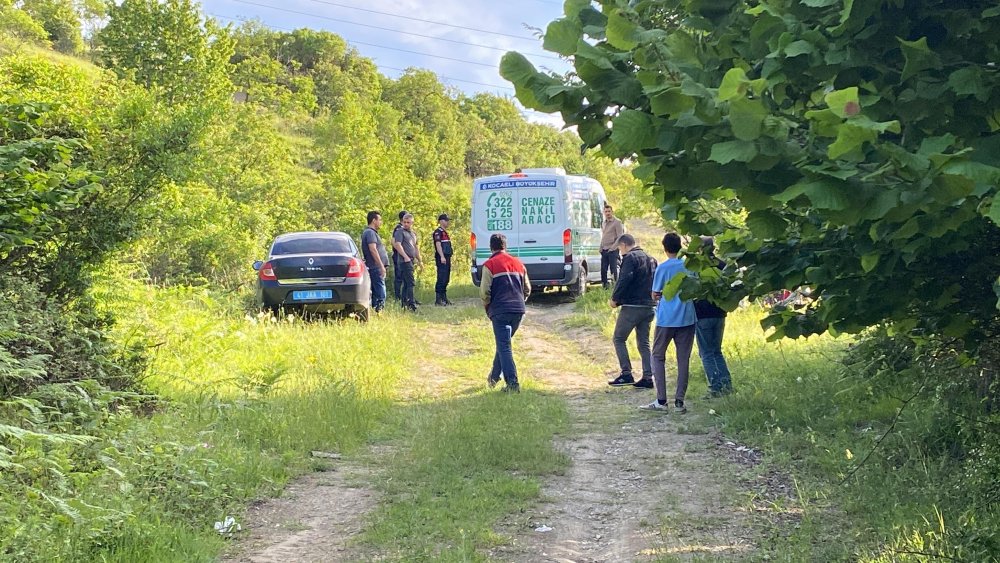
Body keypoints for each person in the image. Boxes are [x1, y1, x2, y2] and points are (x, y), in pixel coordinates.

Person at [642, 232, 697, 414]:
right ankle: (680, 401)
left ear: (665, 248)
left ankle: (661, 399)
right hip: (687, 318)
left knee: (657, 356)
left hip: (666, 319)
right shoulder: (689, 266)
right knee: (683, 359)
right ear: (680, 246)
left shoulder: (663, 268)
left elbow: (655, 293)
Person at [480, 233, 531, 393]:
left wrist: (489, 307)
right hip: (518, 310)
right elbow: (527, 289)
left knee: (504, 346)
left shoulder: (489, 265)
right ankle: (493, 378)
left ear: (491, 247)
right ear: (505, 246)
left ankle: (513, 384)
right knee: (504, 345)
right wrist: (520, 302)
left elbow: (484, 292)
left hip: (500, 310)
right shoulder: (518, 263)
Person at [607, 234, 658, 389]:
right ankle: (648, 377)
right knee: (644, 342)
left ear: (624, 244)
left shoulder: (630, 258)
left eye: (620, 248)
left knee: (619, 338)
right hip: (649, 306)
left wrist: (615, 298)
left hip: (632, 306)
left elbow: (624, 279)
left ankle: (626, 373)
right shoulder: (651, 258)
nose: (620, 252)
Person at [694, 236, 733, 397]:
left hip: (702, 314)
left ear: (700, 249)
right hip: (720, 313)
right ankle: (727, 385)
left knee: (706, 353)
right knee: (717, 351)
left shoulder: (697, 267)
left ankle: (716, 387)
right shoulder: (722, 265)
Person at [361, 211, 389, 313]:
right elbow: (373, 249)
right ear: (374, 220)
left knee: (376, 290)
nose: (381, 222)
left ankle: (376, 309)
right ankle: (379, 309)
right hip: (375, 267)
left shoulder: (370, 233)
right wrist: (381, 265)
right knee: (380, 290)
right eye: (379, 220)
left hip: (374, 266)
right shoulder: (370, 233)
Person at [392, 213, 421, 311]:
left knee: (406, 282)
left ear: (412, 223)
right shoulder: (400, 232)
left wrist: (420, 261)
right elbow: (397, 244)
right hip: (404, 261)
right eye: (404, 222)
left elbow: (416, 247)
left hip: (412, 260)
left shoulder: (413, 234)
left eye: (408, 222)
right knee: (411, 282)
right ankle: (411, 304)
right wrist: (405, 256)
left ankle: (404, 303)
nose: (406, 224)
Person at [600, 204, 625, 289]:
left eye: (609, 211)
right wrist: (601, 247)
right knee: (603, 270)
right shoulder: (603, 223)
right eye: (606, 211)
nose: (607, 213)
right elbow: (603, 235)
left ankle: (615, 287)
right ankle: (605, 287)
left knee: (613, 269)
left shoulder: (617, 222)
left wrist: (613, 248)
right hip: (604, 249)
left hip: (613, 250)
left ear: (612, 212)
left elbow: (620, 236)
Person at [432, 213, 454, 306]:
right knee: (441, 277)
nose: (448, 222)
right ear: (441, 221)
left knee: (446, 278)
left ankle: (444, 297)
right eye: (446, 220)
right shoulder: (438, 232)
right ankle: (438, 299)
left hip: (447, 257)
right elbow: (438, 244)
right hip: (442, 257)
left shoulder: (445, 232)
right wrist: (441, 256)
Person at [391, 210, 407, 301]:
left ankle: (407, 296)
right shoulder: (398, 228)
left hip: (406, 256)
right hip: (399, 256)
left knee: (406, 276)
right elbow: (393, 241)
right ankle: (398, 296)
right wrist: (400, 252)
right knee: (399, 276)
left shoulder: (405, 228)